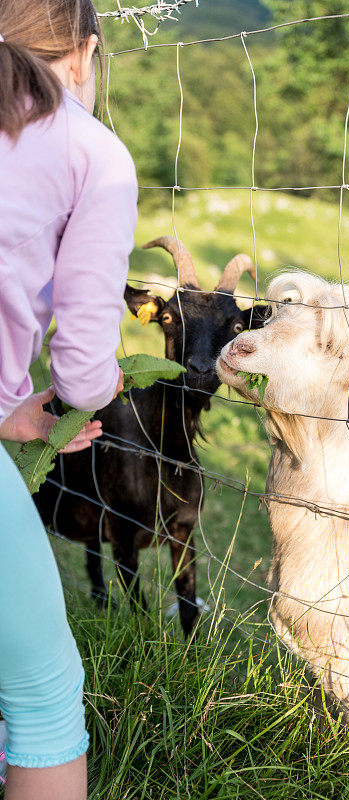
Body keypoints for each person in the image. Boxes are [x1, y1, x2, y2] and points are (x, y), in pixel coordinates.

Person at [0, 0, 138, 796]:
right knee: (45, 703)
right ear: (83, 53)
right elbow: (84, 370)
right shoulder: (93, 151)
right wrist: (97, 386)